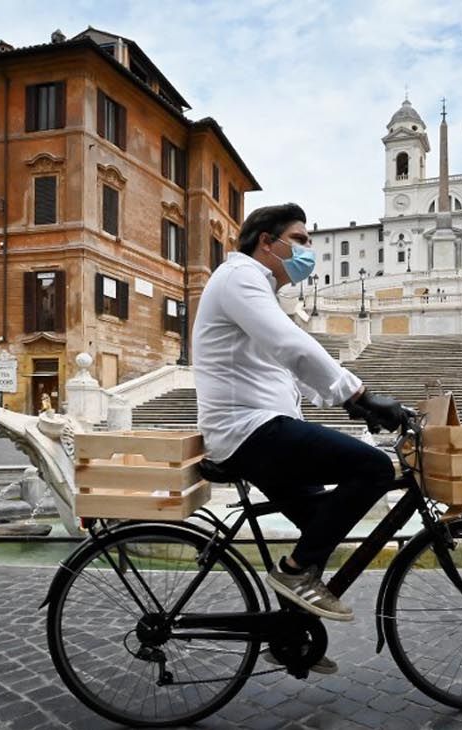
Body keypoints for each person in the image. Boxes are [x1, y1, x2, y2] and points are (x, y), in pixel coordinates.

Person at [193, 202, 408, 636]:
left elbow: (285, 368)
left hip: (258, 428)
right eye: (300, 240)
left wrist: (351, 404)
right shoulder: (240, 278)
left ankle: (289, 634)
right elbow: (291, 343)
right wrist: (360, 393)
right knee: (374, 468)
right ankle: (293, 574)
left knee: (320, 526)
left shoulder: (256, 287)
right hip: (249, 430)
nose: (309, 251)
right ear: (266, 243)